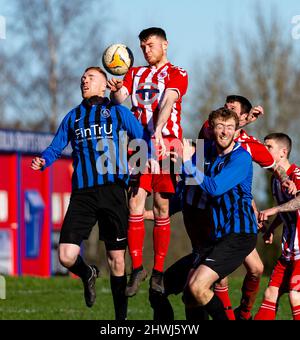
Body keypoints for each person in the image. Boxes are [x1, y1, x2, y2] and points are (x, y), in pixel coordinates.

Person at [31, 66, 149, 320]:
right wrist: (44, 161)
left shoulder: (118, 112)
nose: (84, 80)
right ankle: (88, 273)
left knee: (117, 260)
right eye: (82, 78)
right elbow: (55, 147)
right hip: (83, 193)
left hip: (113, 190)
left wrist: (138, 167)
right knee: (65, 255)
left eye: (91, 77)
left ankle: (120, 321)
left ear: (104, 84)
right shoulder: (73, 117)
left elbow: (142, 139)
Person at [107, 27, 188, 296]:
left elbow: (168, 101)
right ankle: (138, 268)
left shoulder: (178, 73)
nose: (146, 50)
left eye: (150, 45)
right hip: (138, 145)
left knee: (163, 207)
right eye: (142, 47)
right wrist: (116, 91)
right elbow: (121, 101)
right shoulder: (134, 72)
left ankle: (158, 271)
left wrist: (157, 132)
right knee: (135, 204)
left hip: (166, 144)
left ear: (165, 45)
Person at [181, 107, 258, 320]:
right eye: (220, 127)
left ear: (236, 132)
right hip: (218, 236)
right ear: (212, 129)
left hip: (239, 234)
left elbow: (214, 187)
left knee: (197, 287)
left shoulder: (241, 157)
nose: (224, 132)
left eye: (230, 127)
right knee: (189, 294)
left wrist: (188, 162)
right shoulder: (212, 158)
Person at [254, 133, 300, 320]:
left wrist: (272, 210)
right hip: (288, 249)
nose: (264, 151)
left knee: (295, 295)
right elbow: (286, 211)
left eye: (268, 147)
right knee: (270, 295)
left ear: (283, 152)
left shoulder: (296, 174)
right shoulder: (276, 180)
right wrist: (272, 228)